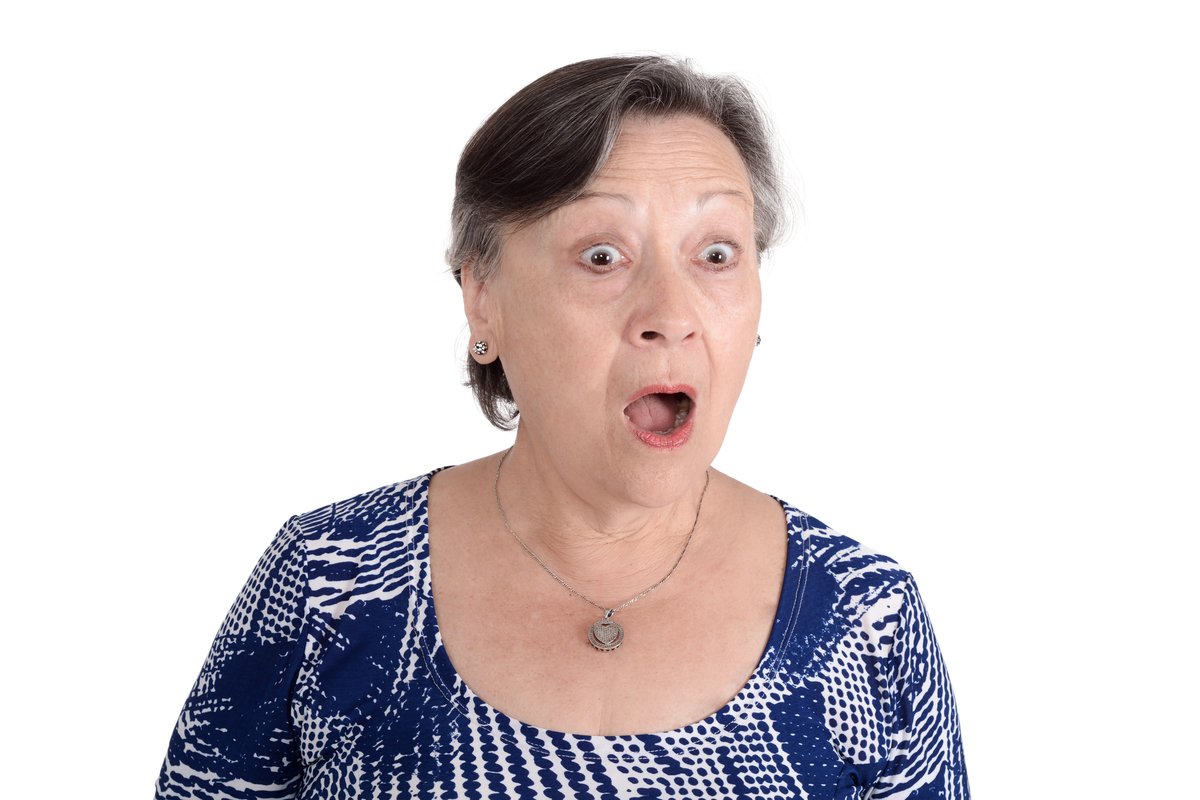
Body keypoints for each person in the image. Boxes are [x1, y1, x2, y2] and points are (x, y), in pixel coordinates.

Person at [155, 55, 969, 799]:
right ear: (483, 298)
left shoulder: (867, 619)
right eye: (603, 256)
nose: (671, 313)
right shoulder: (330, 583)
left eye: (716, 255)